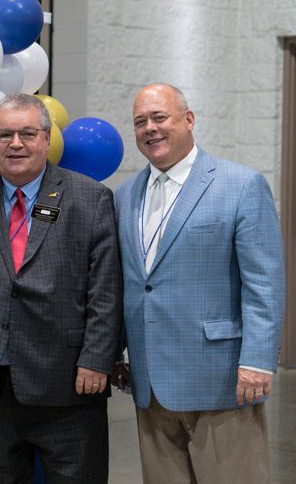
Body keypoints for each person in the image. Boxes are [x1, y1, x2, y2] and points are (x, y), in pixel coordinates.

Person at [0, 93, 122, 483]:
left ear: (46, 139)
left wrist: (97, 358)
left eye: (28, 134)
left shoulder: (90, 198)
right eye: (5, 134)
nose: (15, 144)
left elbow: (106, 289)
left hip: (68, 382)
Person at [114, 84, 285, 483]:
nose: (150, 128)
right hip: (151, 384)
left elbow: (264, 283)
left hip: (221, 380)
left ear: (188, 120)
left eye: (160, 117)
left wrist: (257, 361)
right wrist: (115, 351)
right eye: (140, 122)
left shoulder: (240, 184)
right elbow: (128, 284)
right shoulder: (124, 196)